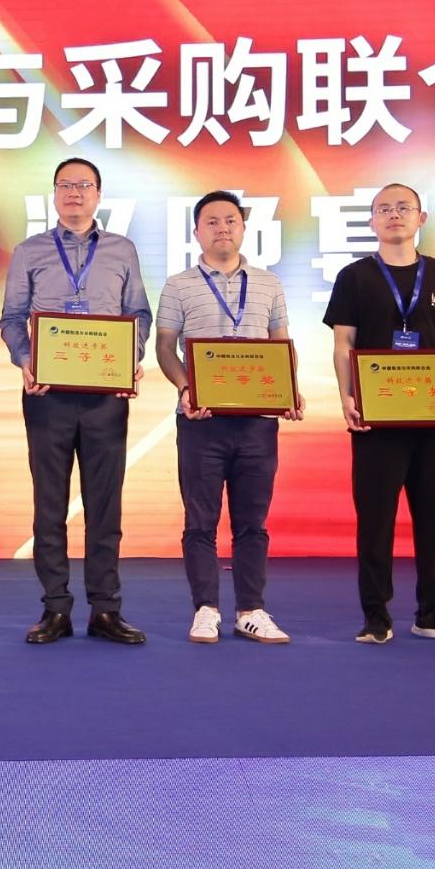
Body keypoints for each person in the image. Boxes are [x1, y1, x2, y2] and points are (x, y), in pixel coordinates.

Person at [0, 156, 154, 646]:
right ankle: (55, 608)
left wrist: (130, 356)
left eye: (84, 185)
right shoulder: (30, 251)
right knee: (50, 504)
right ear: (54, 194)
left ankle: (106, 608)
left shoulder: (122, 249)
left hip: (106, 395)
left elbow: (139, 314)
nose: (74, 193)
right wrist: (26, 360)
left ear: (98, 195)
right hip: (48, 395)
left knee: (105, 504)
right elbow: (12, 318)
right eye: (65, 185)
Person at [325, 183, 435, 644]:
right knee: (376, 520)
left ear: (421, 218)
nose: (394, 215)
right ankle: (376, 616)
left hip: (433, 417)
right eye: (384, 209)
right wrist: (346, 396)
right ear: (371, 221)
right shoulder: (354, 277)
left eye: (404, 207)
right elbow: (343, 343)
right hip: (376, 418)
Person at [153, 191, 300, 645]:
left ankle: (251, 610)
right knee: (200, 521)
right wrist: (186, 388)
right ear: (197, 231)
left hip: (258, 421)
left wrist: (289, 389)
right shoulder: (178, 284)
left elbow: (281, 342)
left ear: (243, 228)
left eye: (230, 220)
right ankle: (206, 609)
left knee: (252, 522)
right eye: (212, 221)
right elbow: (165, 347)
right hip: (201, 420)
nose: (222, 228)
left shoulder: (269, 283)